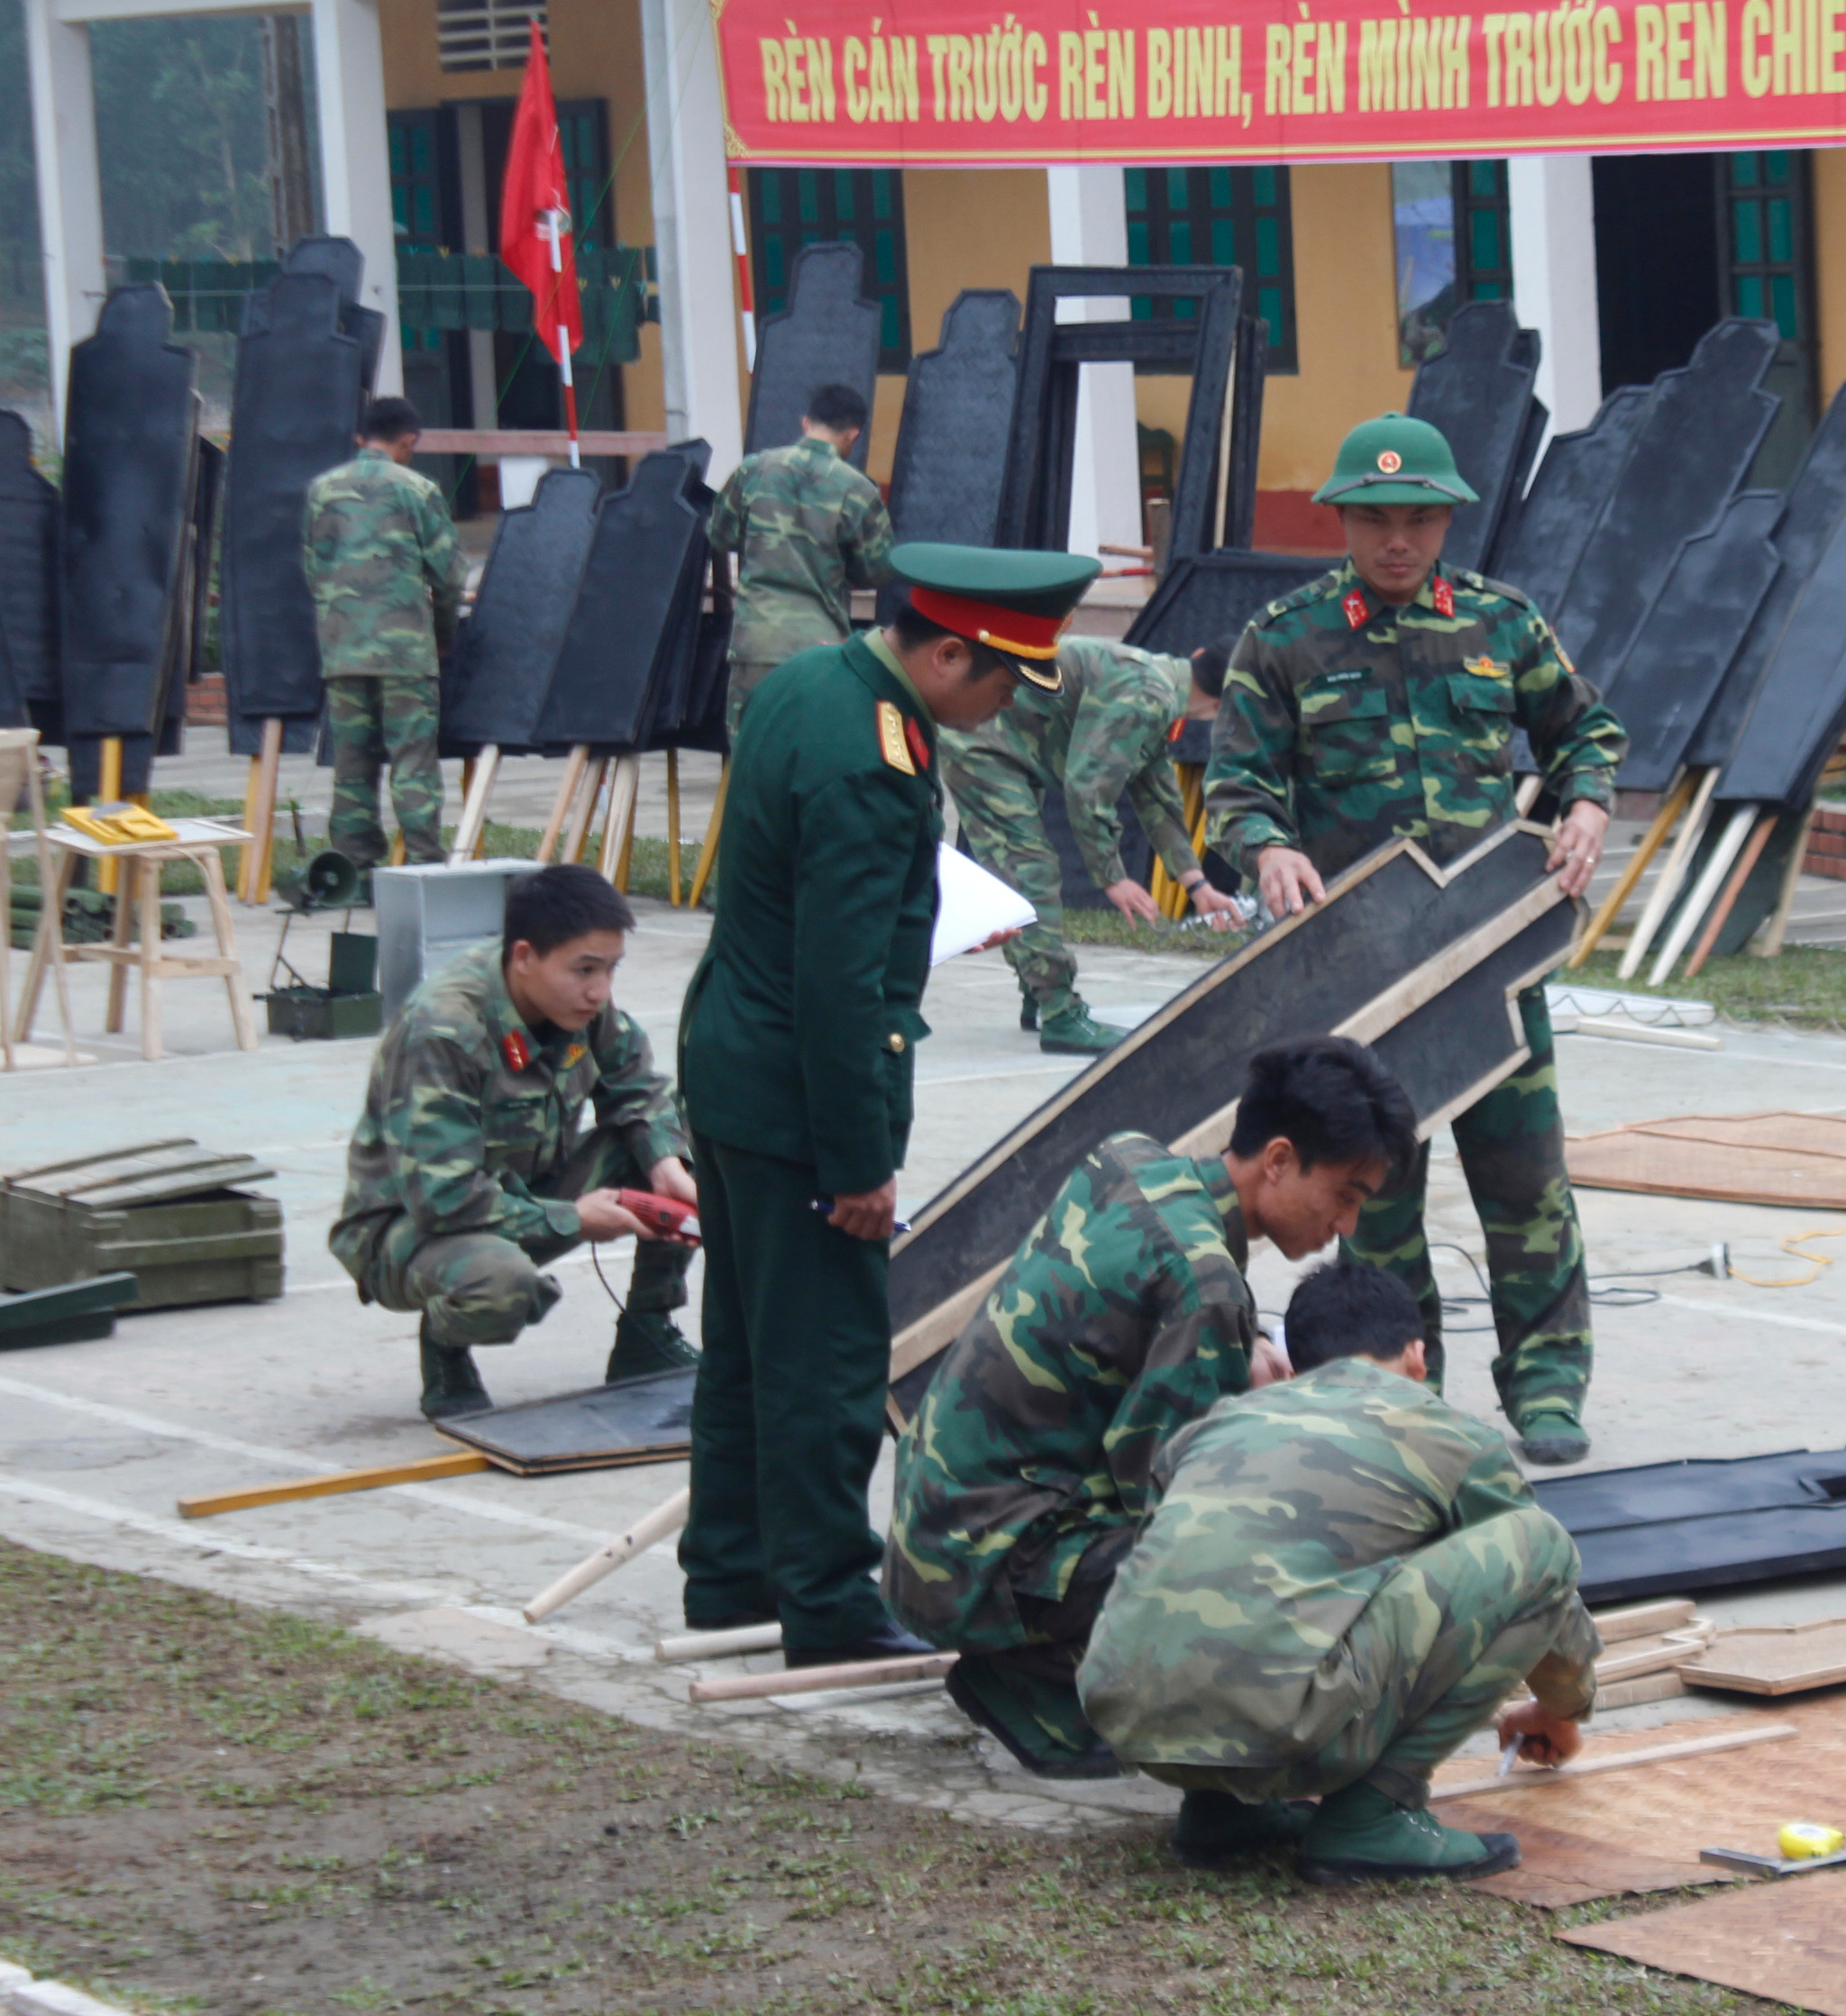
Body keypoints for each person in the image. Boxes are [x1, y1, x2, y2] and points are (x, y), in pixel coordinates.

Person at [677, 540, 1097, 1666]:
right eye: (1007, 682)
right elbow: (841, 984)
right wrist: (858, 1162)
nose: (1011, 706)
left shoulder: (813, 681)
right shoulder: (875, 761)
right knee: (823, 1359)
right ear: (950, 653)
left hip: (730, 1062)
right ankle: (824, 1602)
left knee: (747, 1349)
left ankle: (728, 1577)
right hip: (794, 1091)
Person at [1205, 413, 1625, 1465]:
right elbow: (1236, 785)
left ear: (1447, 520)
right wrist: (1265, 848)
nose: (1400, 540)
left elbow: (1584, 729)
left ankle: (1546, 1389)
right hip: (1363, 981)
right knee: (1375, 1201)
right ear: (1344, 520)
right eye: (1379, 520)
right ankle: (1402, 1385)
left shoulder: (1501, 624)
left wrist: (1586, 804)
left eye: (1421, 521)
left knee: (1526, 1183)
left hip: (1491, 959)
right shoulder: (1287, 637)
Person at [887, 1035, 1417, 1775]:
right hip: (975, 1573)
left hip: (931, 1526)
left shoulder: (1132, 1160)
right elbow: (1178, 1518)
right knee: (1265, 1557)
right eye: (1346, 1195)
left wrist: (1238, 1347)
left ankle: (1038, 1655)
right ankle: (1044, 1686)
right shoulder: (1205, 1289)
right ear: (1278, 1161)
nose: (1348, 1227)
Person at [1078, 1257, 1600, 1884]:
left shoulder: (1211, 1427)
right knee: (1537, 1543)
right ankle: (1373, 1814)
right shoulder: (1451, 1435)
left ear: (1296, 1367)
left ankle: (1218, 1812)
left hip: (1127, 1719)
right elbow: (1544, 1590)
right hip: (1285, 1730)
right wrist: (1561, 1710)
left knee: (1254, 1576)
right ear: (1417, 1356)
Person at [328, 864, 696, 1419]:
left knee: (691, 1143)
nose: (600, 990)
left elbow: (638, 1091)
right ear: (523, 957)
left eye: (611, 969)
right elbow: (445, 1200)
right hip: (409, 1230)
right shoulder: (445, 1030)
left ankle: (647, 1330)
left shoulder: (576, 1004)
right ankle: (446, 1346)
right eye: (586, 970)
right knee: (500, 1285)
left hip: (522, 1191)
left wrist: (667, 1163)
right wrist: (576, 1218)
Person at [940, 636, 1242, 1055]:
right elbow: (1088, 788)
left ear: (1195, 656)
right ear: (1221, 708)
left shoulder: (1159, 684)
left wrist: (1197, 886)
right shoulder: (1147, 696)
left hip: (1009, 745)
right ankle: (1060, 1012)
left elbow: (1158, 797)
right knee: (1031, 870)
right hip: (981, 742)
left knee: (1027, 871)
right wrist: (1111, 877)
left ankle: (1039, 989)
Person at [304, 394, 465, 868]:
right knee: (412, 760)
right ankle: (423, 864)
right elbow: (449, 577)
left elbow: (315, 569)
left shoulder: (322, 489)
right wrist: (442, 635)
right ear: (409, 440)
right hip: (405, 653)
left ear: (360, 439)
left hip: (343, 650)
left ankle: (353, 867)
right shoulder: (417, 489)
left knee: (352, 764)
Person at [708, 382, 896, 740]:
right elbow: (878, 570)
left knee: (752, 759)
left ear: (806, 422)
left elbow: (720, 535)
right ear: (853, 435)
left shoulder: (754, 469)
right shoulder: (857, 488)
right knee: (813, 758)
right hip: (821, 650)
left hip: (757, 643)